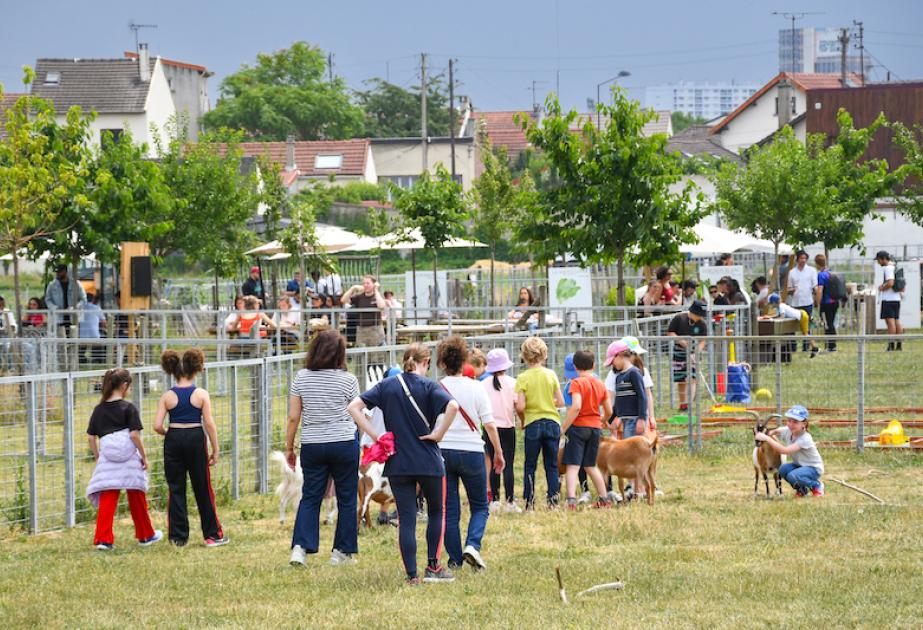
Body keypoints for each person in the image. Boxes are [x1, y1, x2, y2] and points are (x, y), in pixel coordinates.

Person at [347, 343, 460, 585]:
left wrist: (376, 435)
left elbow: (353, 407)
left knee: (406, 518)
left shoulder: (387, 386)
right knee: (436, 512)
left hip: (398, 461)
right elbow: (453, 406)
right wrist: (439, 433)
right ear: (426, 362)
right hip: (429, 459)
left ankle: (412, 576)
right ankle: (433, 566)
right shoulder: (430, 385)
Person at [284, 330, 361, 567]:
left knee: (311, 496)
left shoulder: (302, 378)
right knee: (347, 497)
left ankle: (300, 548)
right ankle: (341, 552)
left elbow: (293, 417)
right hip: (343, 443)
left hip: (313, 443)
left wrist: (289, 447)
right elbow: (357, 414)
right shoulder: (348, 380)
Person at [437, 336, 504, 572]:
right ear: (465, 360)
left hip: (443, 450)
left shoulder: (436, 387)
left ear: (442, 363)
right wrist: (497, 450)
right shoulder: (476, 387)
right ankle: (473, 545)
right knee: (479, 505)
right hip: (472, 450)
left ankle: (454, 559)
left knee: (450, 509)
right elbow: (489, 423)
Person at [154, 348, 227, 548]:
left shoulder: (167, 396)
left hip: (174, 438)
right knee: (203, 487)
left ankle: (178, 538)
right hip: (195, 438)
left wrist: (169, 433)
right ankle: (212, 535)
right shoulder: (201, 394)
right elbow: (209, 423)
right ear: (196, 369)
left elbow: (157, 425)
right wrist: (216, 448)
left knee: (176, 488)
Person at [85, 368, 162, 550]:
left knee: (108, 496)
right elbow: (134, 436)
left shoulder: (99, 410)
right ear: (125, 386)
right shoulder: (129, 408)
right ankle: (145, 535)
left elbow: (91, 437)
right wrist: (144, 456)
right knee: (136, 494)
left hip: (108, 458)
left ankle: (103, 539)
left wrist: (98, 456)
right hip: (129, 458)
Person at [515, 336, 564, 510]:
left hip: (533, 423)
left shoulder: (522, 377)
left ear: (524, 356)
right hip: (552, 422)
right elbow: (561, 401)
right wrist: (547, 401)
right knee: (551, 464)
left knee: (530, 465)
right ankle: (553, 501)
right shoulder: (551, 374)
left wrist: (525, 416)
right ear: (544, 355)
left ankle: (529, 503)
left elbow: (520, 406)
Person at [561, 349, 613, 510]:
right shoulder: (600, 384)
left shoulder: (576, 383)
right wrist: (602, 420)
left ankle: (571, 500)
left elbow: (576, 406)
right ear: (594, 365)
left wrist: (564, 428)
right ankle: (604, 499)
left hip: (578, 427)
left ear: (576, 367)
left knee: (573, 465)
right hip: (595, 428)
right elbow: (609, 411)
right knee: (591, 465)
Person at [755, 405, 824, 497]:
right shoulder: (789, 430)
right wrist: (768, 433)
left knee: (793, 476)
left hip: (813, 469)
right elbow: (777, 431)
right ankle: (802, 490)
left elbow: (785, 451)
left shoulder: (805, 438)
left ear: (804, 424)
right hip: (800, 466)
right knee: (782, 469)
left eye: (795, 422)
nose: (791, 424)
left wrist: (767, 439)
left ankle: (816, 485)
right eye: (789, 421)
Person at [482, 348, 519, 513]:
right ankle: (510, 501)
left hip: (490, 429)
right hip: (508, 428)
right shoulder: (513, 383)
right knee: (508, 464)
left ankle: (495, 501)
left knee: (494, 464)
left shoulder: (483, 385)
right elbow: (518, 406)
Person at [667, 300, 708, 411]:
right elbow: (670, 332)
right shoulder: (679, 318)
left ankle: (689, 404)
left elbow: (703, 341)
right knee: (681, 379)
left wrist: (696, 352)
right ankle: (683, 403)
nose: (700, 317)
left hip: (694, 354)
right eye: (699, 315)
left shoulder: (702, 324)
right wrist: (681, 341)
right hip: (679, 352)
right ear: (693, 312)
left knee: (693, 378)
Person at [606, 340, 649, 443]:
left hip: (635, 420)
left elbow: (642, 396)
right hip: (626, 421)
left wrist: (642, 419)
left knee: (633, 451)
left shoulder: (634, 373)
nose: (613, 365)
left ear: (620, 355)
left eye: (613, 361)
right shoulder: (619, 377)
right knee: (627, 449)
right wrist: (611, 418)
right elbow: (618, 402)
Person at [341, 275, 386, 348]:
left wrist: (376, 290)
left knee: (376, 355)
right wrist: (352, 288)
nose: (365, 285)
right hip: (361, 329)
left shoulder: (377, 296)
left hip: (375, 329)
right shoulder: (359, 297)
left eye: (368, 283)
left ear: (373, 284)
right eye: (364, 283)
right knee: (362, 354)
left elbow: (381, 306)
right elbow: (343, 300)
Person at [767, 293, 819, 358]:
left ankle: (815, 348)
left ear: (774, 302)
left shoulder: (781, 306)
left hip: (803, 316)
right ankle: (814, 347)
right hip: (801, 314)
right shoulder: (780, 306)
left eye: (771, 303)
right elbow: (779, 315)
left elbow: (782, 317)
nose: (771, 305)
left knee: (805, 334)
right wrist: (770, 317)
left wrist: (772, 319)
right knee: (805, 333)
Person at [787, 250, 819, 351]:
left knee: (806, 326)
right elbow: (788, 288)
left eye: (805, 258)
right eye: (801, 258)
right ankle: (793, 347)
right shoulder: (792, 272)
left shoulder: (812, 271)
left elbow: (815, 285)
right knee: (792, 326)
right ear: (797, 259)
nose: (803, 260)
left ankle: (806, 347)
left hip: (807, 302)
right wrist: (792, 290)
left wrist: (817, 298)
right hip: (795, 303)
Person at [45, 264, 86, 332]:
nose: (57, 274)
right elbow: (48, 300)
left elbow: (83, 299)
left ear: (65, 272)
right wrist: (54, 308)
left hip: (73, 318)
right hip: (58, 318)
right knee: (60, 340)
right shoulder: (52, 285)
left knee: (74, 339)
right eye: (57, 272)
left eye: (59, 272)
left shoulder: (76, 284)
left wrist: (74, 307)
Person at [876, 250, 904, 351]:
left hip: (888, 299)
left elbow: (890, 283)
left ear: (883, 259)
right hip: (896, 298)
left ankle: (891, 345)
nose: (878, 262)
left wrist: (881, 288)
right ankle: (899, 344)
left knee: (890, 322)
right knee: (897, 321)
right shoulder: (895, 267)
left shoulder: (887, 268)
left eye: (879, 260)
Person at [814, 254, 838, 352]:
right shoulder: (831, 272)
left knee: (827, 324)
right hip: (834, 302)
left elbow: (820, 290)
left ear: (817, 264)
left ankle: (831, 346)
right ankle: (832, 344)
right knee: (831, 323)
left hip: (826, 303)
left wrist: (817, 302)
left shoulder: (821, 275)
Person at [78, 292, 107, 365]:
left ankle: (81, 359)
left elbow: (78, 321)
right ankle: (98, 359)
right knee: (101, 339)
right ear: (93, 299)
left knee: (81, 346)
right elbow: (104, 322)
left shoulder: (81, 308)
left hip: (82, 336)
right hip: (94, 336)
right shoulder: (97, 308)